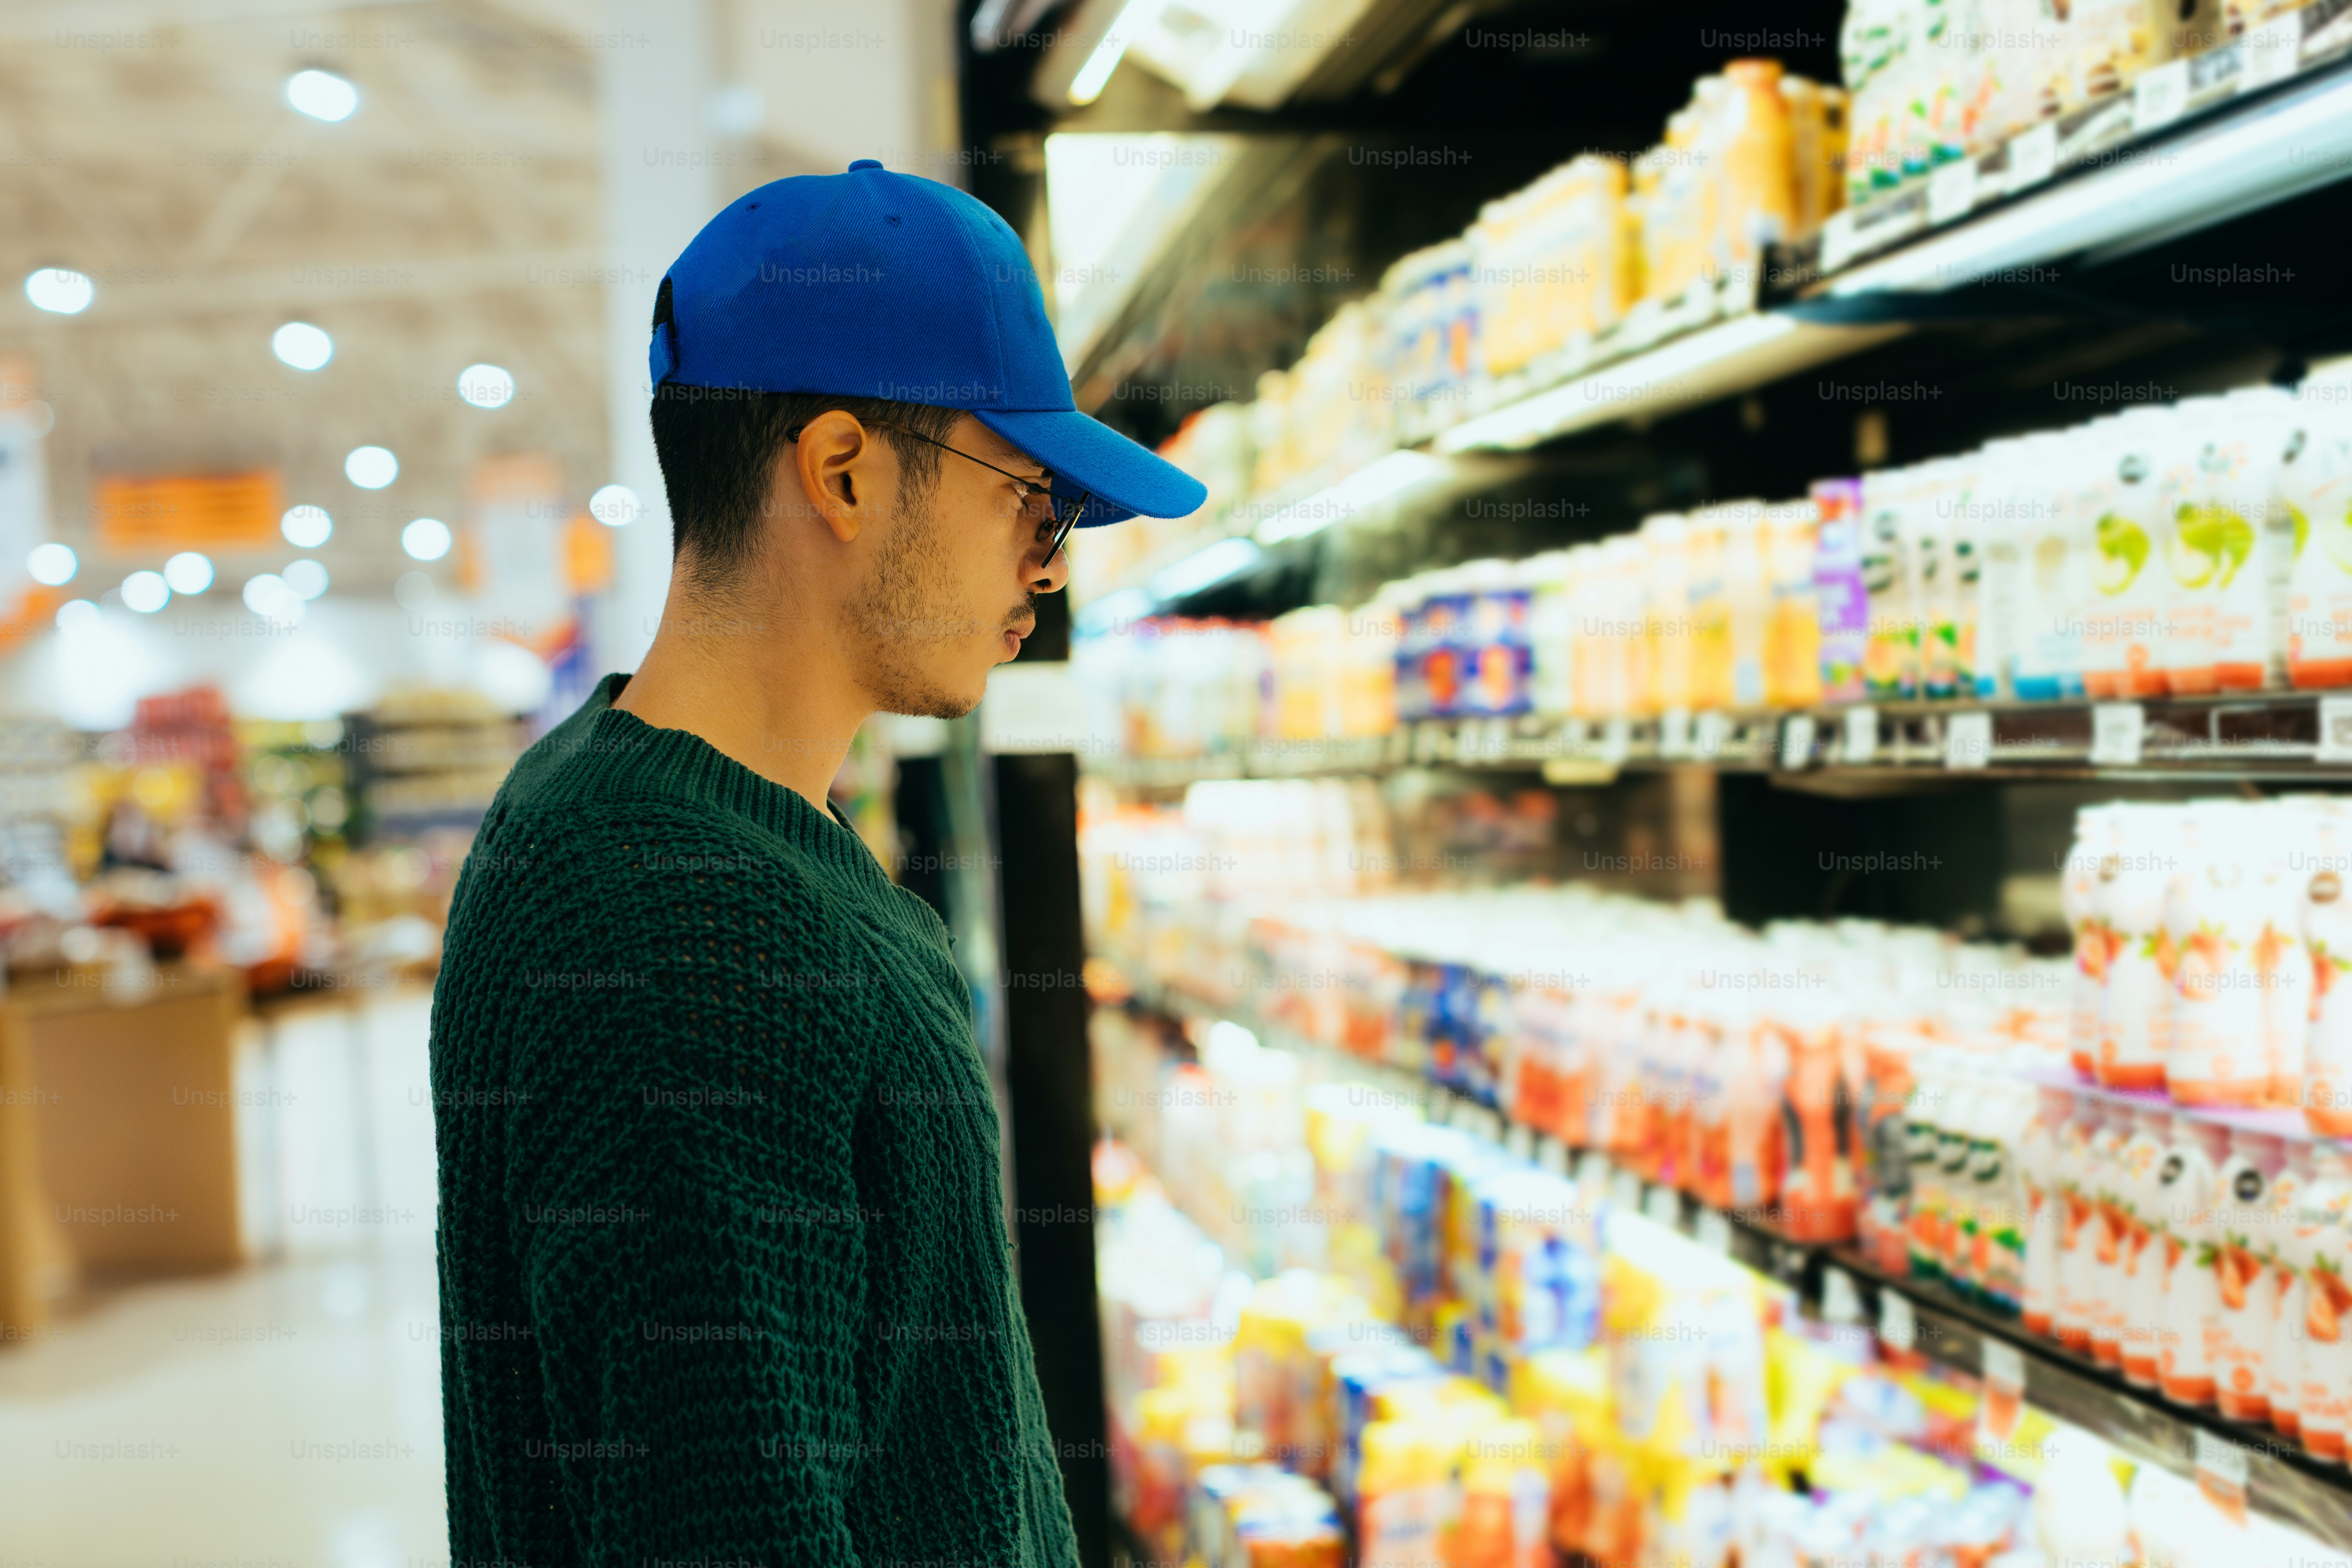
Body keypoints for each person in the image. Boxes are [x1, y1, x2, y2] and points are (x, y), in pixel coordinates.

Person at [427, 159, 1204, 1568]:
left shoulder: (655, 816)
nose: (1047, 560)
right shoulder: (686, 923)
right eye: (1031, 494)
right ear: (843, 470)